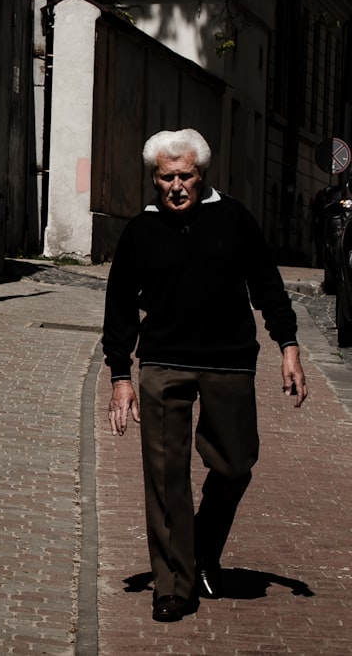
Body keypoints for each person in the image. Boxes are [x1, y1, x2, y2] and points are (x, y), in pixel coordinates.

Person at [102, 128, 308, 622]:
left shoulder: (234, 219)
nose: (176, 186)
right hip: (163, 364)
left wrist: (289, 345)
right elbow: (119, 310)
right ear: (155, 178)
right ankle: (173, 586)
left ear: (202, 175)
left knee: (236, 464)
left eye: (185, 176)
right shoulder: (140, 231)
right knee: (165, 474)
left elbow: (267, 285)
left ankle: (198, 546)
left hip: (229, 361)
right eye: (166, 177)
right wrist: (120, 376)